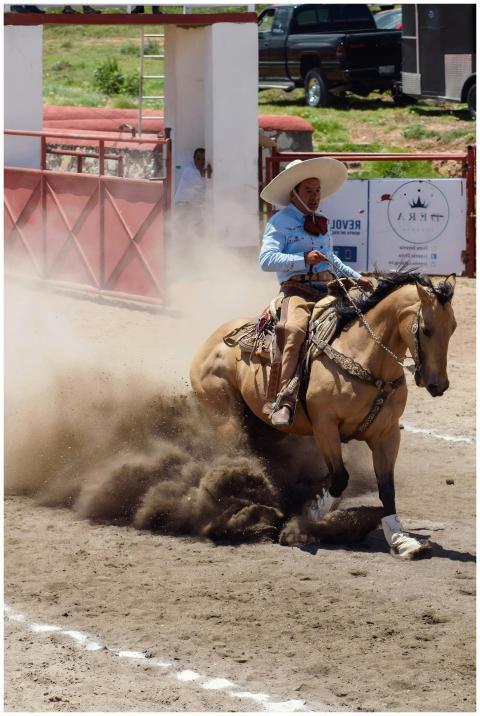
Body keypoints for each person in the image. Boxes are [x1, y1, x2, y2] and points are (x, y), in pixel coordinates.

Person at [259, 157, 374, 427]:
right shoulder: (280, 222)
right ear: (295, 193)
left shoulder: (321, 223)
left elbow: (331, 260)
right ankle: (284, 399)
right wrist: (303, 259)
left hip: (327, 288)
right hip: (296, 290)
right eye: (309, 191)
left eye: (317, 190)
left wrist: (358, 278)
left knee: (362, 324)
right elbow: (266, 260)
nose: (315, 197)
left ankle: (367, 400)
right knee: (295, 330)